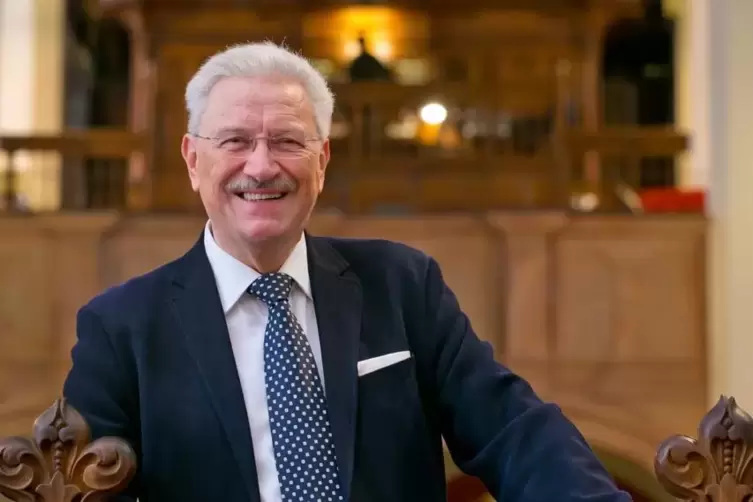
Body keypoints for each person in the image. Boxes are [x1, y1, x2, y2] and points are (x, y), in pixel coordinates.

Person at [63, 42, 632, 502]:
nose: (261, 166)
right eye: (235, 141)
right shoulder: (121, 328)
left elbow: (514, 430)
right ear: (193, 159)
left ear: (322, 160)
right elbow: (81, 483)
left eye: (287, 141)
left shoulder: (402, 285)